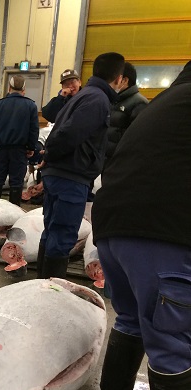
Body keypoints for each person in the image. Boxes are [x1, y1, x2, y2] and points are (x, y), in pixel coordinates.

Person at [91, 61, 191, 390]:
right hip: (161, 231)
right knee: (171, 339)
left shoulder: (170, 100)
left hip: (113, 225)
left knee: (132, 320)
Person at [37, 52, 125, 279]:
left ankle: (40, 286)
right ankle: (51, 290)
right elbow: (68, 133)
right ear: (118, 78)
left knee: (52, 231)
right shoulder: (97, 100)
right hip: (70, 176)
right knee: (63, 234)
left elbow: (59, 130)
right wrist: (52, 153)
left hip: (61, 174)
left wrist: (50, 155)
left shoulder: (86, 95)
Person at [0, 74, 39, 206]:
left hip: (0, 150)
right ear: (24, 89)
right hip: (19, 151)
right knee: (16, 183)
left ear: (9, 87)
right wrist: (31, 148)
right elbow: (33, 130)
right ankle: (13, 215)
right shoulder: (31, 106)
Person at [105, 62, 148, 160]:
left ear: (124, 80)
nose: (109, 83)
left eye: (112, 79)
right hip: (105, 160)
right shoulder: (112, 100)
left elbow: (139, 139)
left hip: (121, 161)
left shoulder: (139, 103)